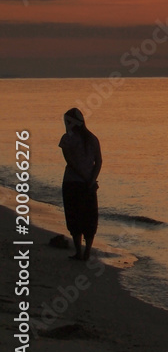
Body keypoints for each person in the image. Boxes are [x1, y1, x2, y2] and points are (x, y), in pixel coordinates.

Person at [59, 108, 102, 261]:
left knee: (74, 215)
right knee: (89, 216)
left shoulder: (67, 138)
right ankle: (87, 251)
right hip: (89, 184)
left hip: (72, 182)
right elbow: (99, 162)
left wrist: (85, 178)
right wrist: (91, 179)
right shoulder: (92, 138)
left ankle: (79, 251)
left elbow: (70, 162)